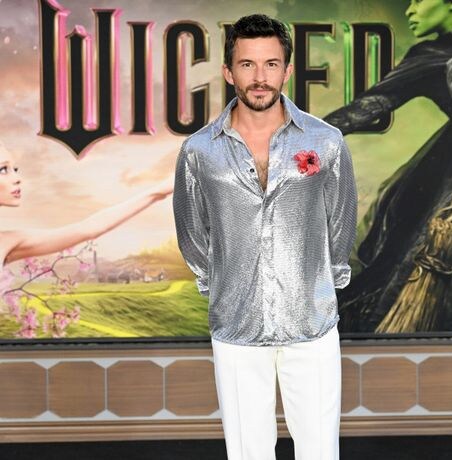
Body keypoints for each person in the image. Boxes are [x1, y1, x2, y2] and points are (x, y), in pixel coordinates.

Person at [173, 14, 357, 460]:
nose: (260, 77)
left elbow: (341, 219)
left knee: (319, 449)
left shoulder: (326, 141)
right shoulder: (199, 150)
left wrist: (324, 283)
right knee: (246, 451)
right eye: (247, 64)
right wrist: (219, 283)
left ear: (287, 70)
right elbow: (191, 228)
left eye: (271, 64)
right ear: (228, 71)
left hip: (311, 321)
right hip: (236, 323)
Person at [323, 0, 452, 333]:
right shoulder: (429, 57)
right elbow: (368, 106)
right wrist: (300, 138)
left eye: (418, 0)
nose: (409, 10)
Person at [0, 141, 174, 269]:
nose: (17, 179)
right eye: (3, 170)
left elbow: (89, 227)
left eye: (15, 169)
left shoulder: (8, 242)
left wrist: (158, 191)